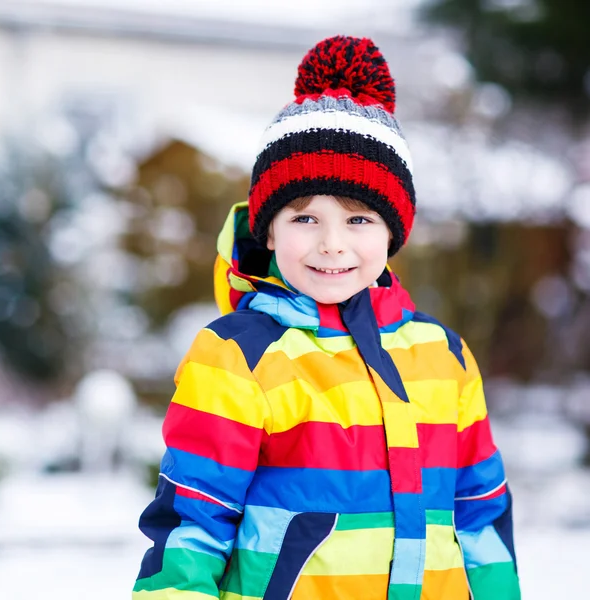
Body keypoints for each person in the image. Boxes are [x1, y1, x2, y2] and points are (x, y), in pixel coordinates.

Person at [133, 35, 521, 600]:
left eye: (359, 220)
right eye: (304, 218)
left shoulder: (445, 357)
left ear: (394, 232)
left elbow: (482, 521)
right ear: (267, 229)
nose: (332, 244)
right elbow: (191, 526)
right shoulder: (239, 356)